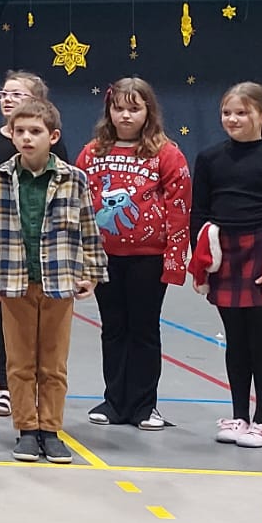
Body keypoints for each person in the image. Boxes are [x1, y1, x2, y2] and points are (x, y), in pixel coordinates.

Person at [0, 99, 107, 463]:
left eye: (35, 131)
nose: (27, 138)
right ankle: (27, 430)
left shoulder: (73, 179)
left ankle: (50, 429)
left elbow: (88, 228)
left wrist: (93, 273)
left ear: (53, 136)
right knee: (19, 363)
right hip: (14, 280)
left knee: (53, 364)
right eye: (19, 131)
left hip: (59, 281)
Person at [191, 82, 262, 450]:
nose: (233, 119)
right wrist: (201, 263)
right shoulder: (209, 159)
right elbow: (199, 214)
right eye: (227, 112)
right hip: (224, 254)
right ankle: (239, 415)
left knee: (261, 337)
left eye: (242, 112)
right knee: (235, 339)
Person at [75, 78, 190, 430]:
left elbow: (179, 208)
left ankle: (143, 405)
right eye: (119, 108)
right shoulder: (92, 152)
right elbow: (77, 204)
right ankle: (114, 401)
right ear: (108, 111)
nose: (125, 115)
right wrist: (79, 257)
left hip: (148, 258)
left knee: (143, 329)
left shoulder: (166, 153)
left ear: (148, 112)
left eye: (134, 109)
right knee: (113, 328)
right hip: (104, 257)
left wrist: (174, 261)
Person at [0, 71, 70, 419]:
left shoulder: (56, 150)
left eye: (16, 94)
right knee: (3, 319)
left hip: (47, 257)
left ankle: (43, 396)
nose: (7, 99)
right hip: (4, 251)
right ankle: (7, 386)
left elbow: (68, 203)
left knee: (47, 334)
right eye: (3, 94)